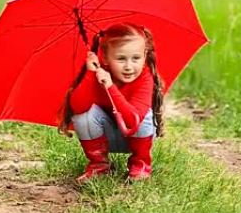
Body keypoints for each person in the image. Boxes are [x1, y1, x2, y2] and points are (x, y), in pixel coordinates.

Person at [57, 23, 165, 183]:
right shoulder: (98, 72)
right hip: (103, 138)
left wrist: (110, 87)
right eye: (121, 59)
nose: (129, 66)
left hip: (135, 137)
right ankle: (99, 166)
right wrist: (90, 74)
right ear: (106, 58)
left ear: (145, 55)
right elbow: (77, 107)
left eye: (136, 58)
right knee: (83, 114)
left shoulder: (144, 79)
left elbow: (132, 121)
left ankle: (140, 165)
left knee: (144, 114)